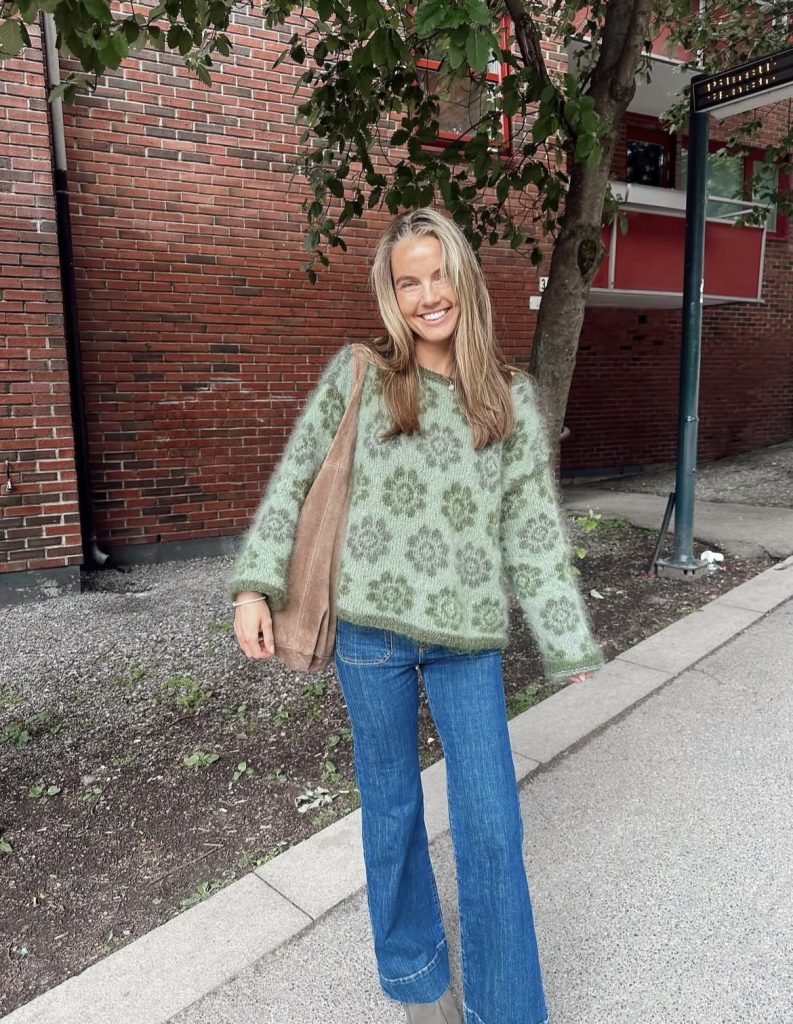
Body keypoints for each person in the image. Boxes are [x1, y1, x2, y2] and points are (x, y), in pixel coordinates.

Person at [229, 208, 604, 1024]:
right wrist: (254, 585)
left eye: (438, 275)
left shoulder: (509, 396)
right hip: (370, 639)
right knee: (392, 814)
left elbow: (531, 527)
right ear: (392, 296)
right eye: (409, 281)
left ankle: (505, 1009)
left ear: (461, 280)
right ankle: (417, 986)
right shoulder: (361, 374)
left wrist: (565, 637)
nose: (427, 294)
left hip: (467, 644)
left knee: (492, 827)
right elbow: (296, 477)